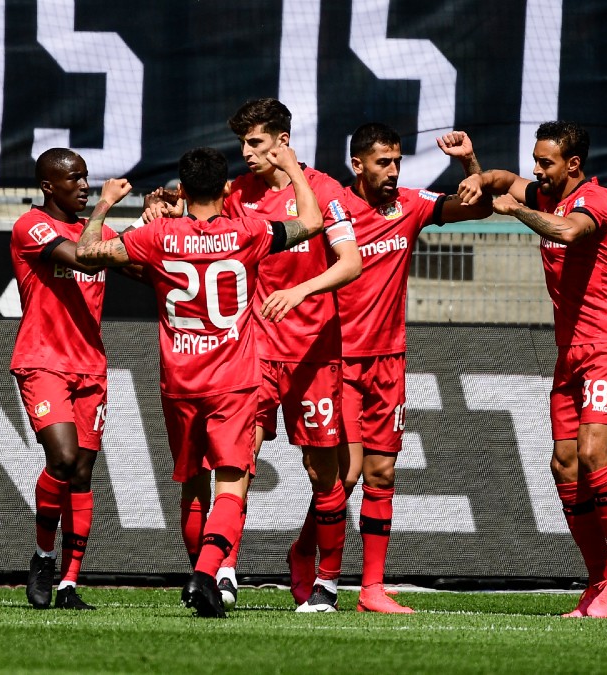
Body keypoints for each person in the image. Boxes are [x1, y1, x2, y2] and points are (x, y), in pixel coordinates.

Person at [73, 145, 324, 618]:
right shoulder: (248, 231)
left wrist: (104, 204)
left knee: (193, 486)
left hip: (180, 380)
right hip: (234, 378)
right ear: (227, 189)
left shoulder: (156, 236)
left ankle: (201, 576)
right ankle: (207, 574)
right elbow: (311, 222)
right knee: (233, 483)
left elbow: (87, 253)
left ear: (183, 190)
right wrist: (291, 168)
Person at [296, 123, 490, 614]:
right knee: (347, 475)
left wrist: (470, 166)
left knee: (382, 473)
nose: (393, 171)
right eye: (383, 162)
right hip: (337, 361)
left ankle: (372, 589)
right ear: (357, 164)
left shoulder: (409, 204)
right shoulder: (333, 210)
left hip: (389, 361)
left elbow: (480, 206)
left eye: (398, 162)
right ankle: (306, 554)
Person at [456, 121, 607, 618]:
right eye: (535, 161)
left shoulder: (593, 201)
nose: (537, 170)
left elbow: (567, 230)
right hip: (573, 352)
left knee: (590, 453)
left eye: (546, 162)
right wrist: (472, 169)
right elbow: (499, 178)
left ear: (574, 164)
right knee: (563, 463)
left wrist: (517, 209)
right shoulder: (545, 193)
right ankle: (597, 580)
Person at [212, 98, 360, 613]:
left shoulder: (326, 190)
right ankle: (224, 570)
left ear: (282, 140)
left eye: (255, 143)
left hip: (314, 354)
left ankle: (326, 582)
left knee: (324, 474)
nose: (247, 153)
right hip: (254, 351)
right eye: (242, 144)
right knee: (238, 460)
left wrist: (302, 291)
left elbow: (350, 263)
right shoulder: (238, 195)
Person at [11, 149, 121, 610]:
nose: (83, 185)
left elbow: (139, 264)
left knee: (81, 473)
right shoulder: (31, 226)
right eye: (73, 179)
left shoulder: (101, 232)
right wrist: (105, 206)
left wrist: (161, 224)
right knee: (62, 458)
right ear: (48, 186)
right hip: (44, 361)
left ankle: (70, 584)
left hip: (90, 365)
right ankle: (43, 557)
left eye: (86, 178)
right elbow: (85, 259)